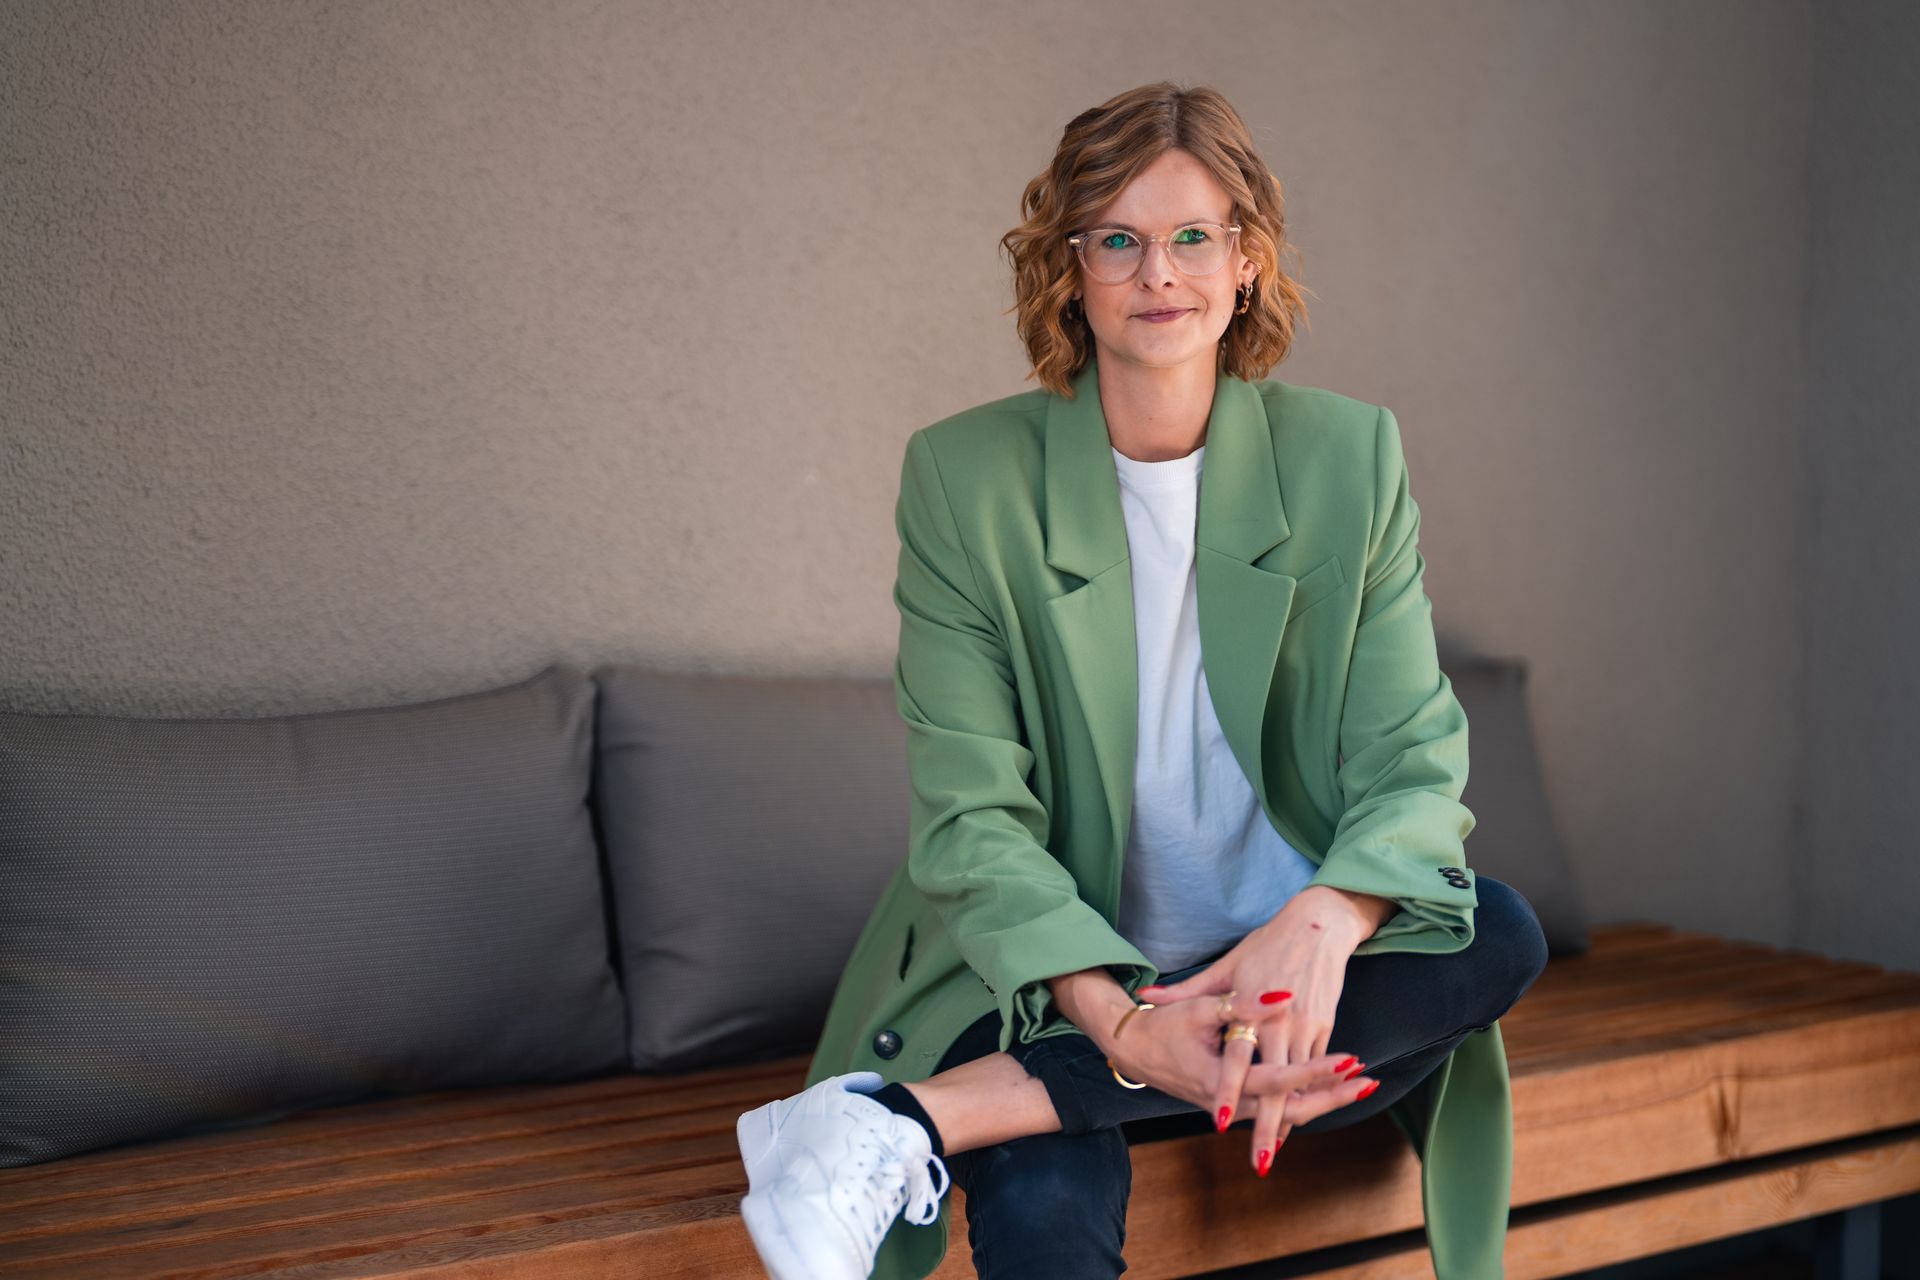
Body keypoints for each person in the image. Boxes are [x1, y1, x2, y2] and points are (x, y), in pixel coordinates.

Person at [735, 81, 1549, 1280]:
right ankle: (1023, 1089)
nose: (1158, 272)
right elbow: (974, 819)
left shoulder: (1348, 457)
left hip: (1284, 986)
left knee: (1498, 931)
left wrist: (1324, 920)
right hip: (1052, 979)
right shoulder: (965, 482)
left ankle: (911, 1118)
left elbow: (1412, 762)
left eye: (1192, 236)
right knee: (1046, 1209)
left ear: (1246, 259)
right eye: (1116, 239)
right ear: (1069, 269)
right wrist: (1124, 1021)